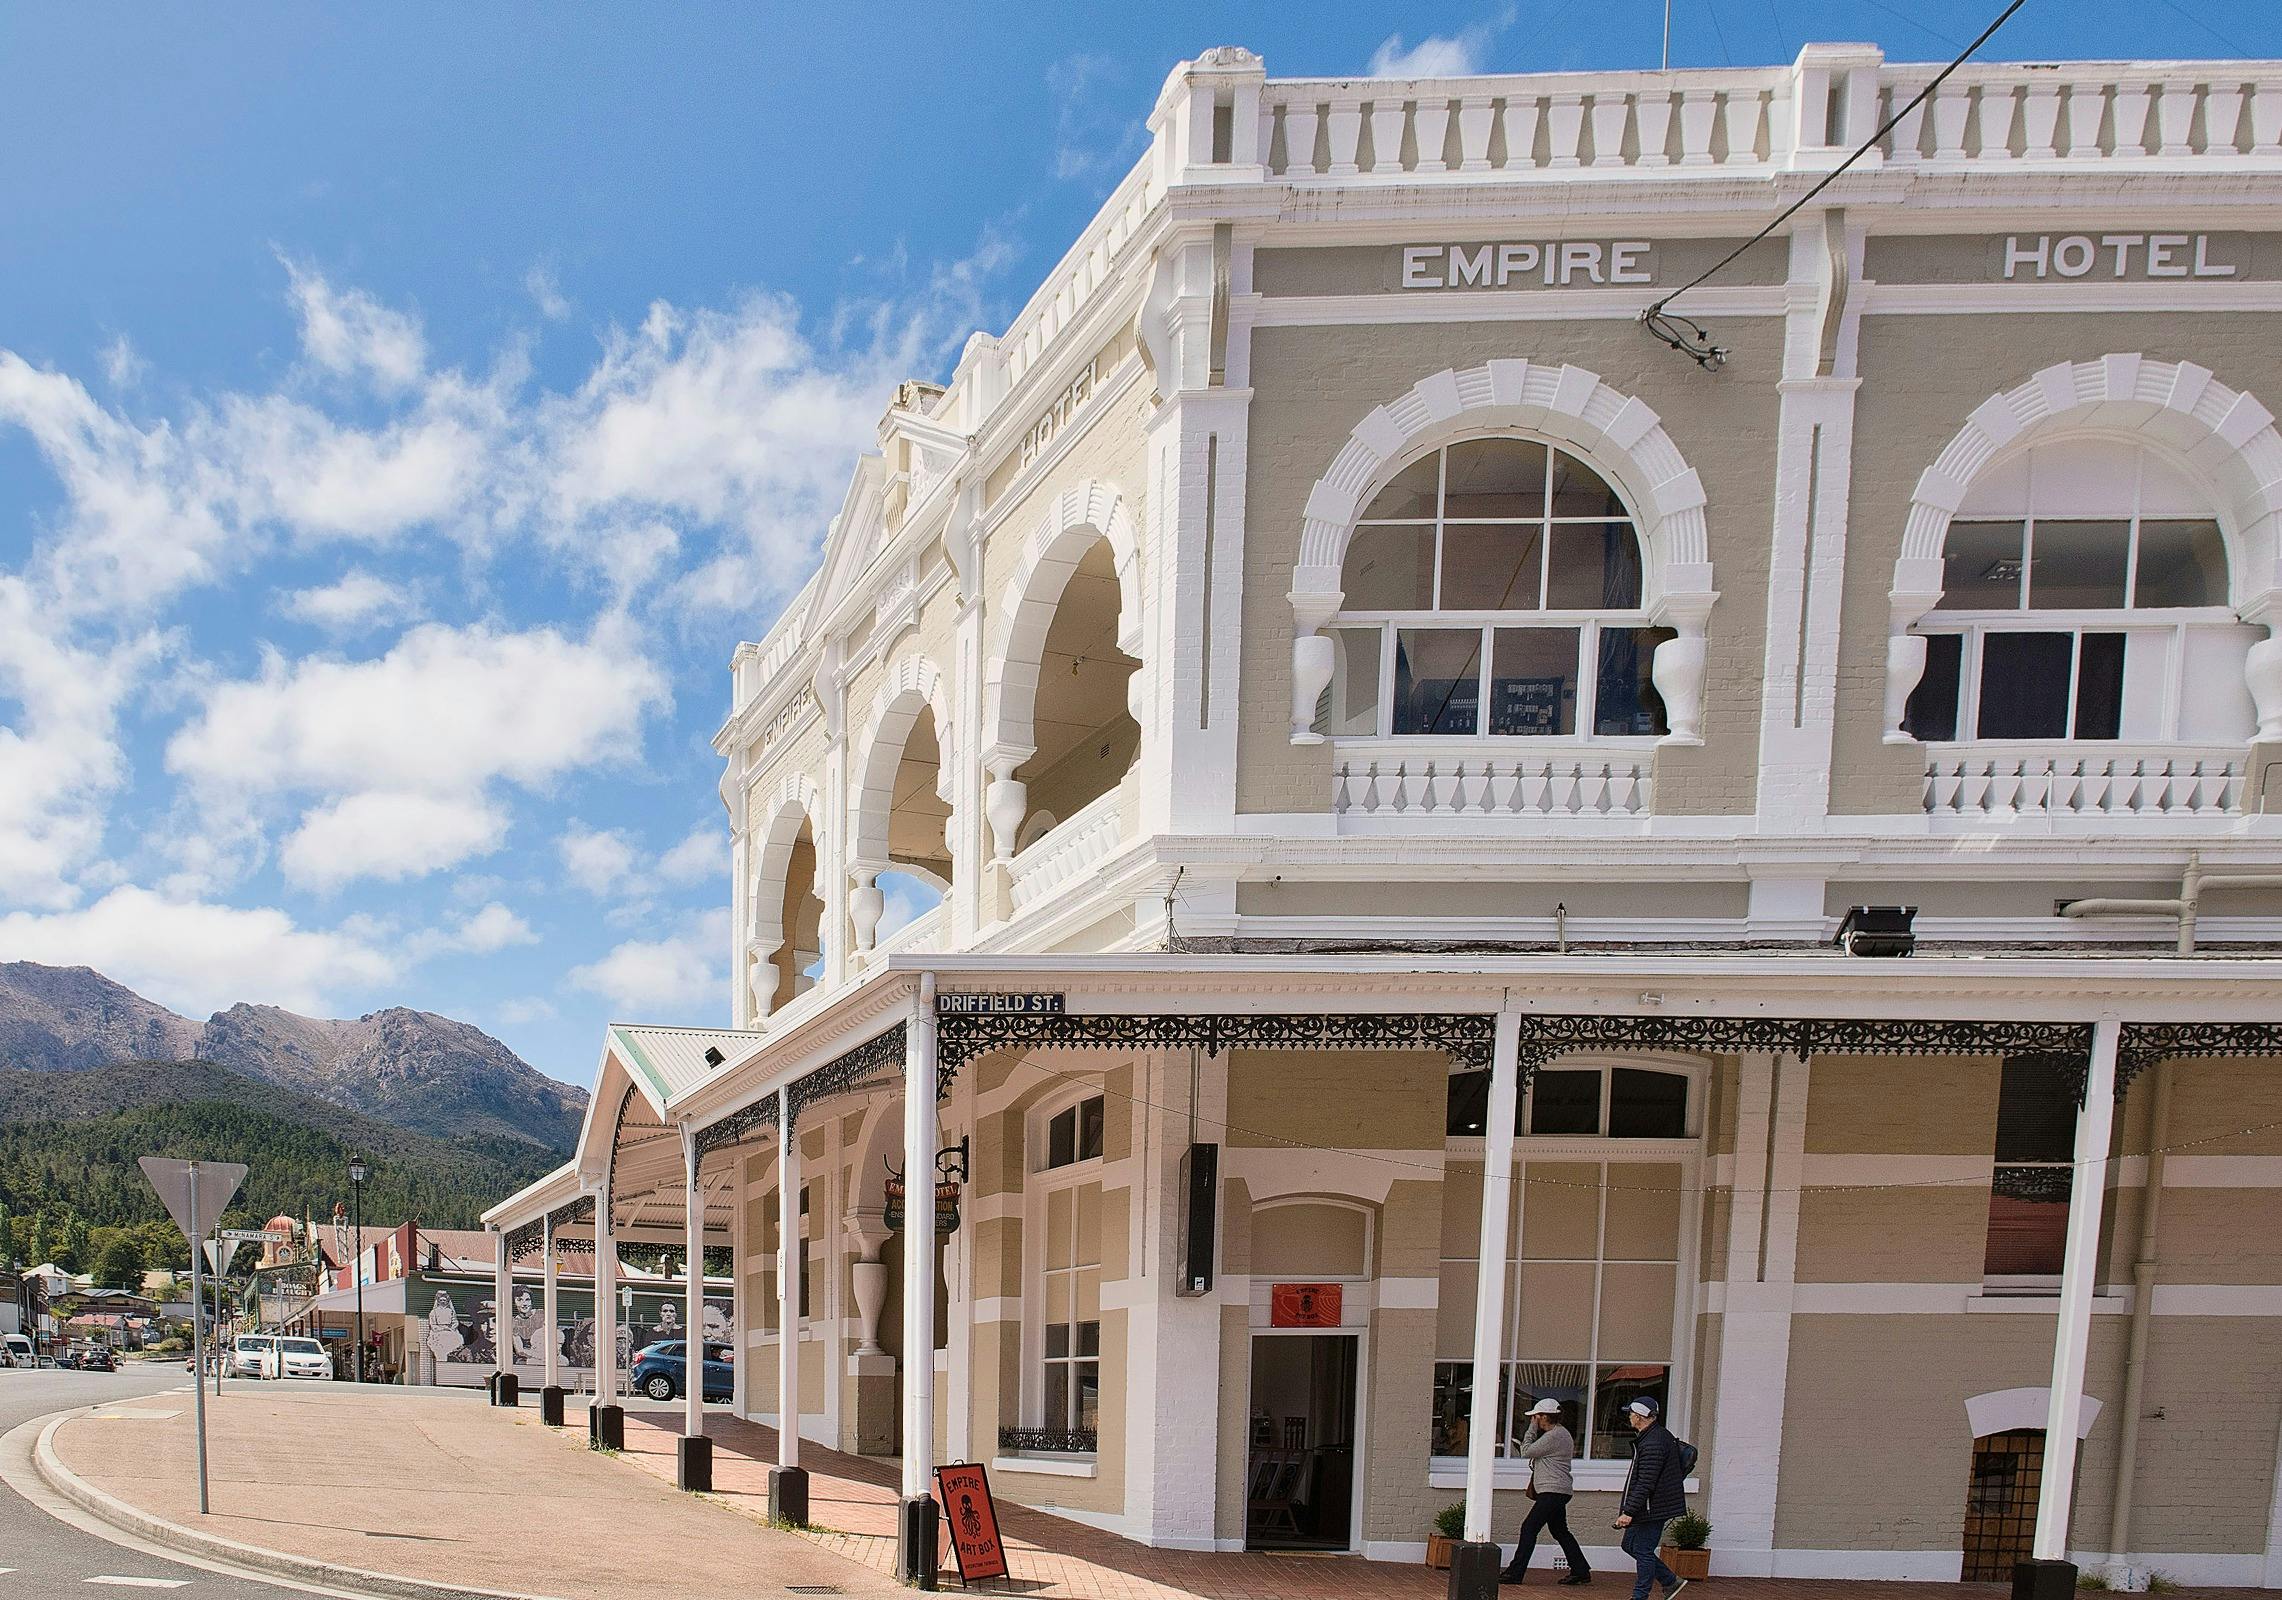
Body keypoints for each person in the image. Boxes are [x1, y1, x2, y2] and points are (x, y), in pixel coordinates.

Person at [1502, 1396, 1592, 1586]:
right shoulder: (1560, 1434)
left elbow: (1526, 1451)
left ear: (1544, 1417)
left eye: (1536, 1417)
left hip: (1553, 1491)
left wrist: (1531, 1429)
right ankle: (1581, 1570)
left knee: (1529, 1527)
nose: (1534, 1420)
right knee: (1560, 1531)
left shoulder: (1555, 1436)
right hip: (1557, 1491)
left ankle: (1515, 1573)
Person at [1613, 1396, 1688, 1600]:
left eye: (1631, 1413)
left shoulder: (1653, 1442)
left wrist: (1629, 1512)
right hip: (1651, 1505)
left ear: (1640, 1416)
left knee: (1643, 1550)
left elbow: (1646, 1481)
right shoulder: (1654, 1437)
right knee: (1629, 1546)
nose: (1629, 1417)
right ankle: (1670, 1581)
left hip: (1652, 1507)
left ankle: (1640, 1596)